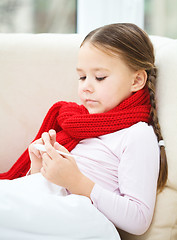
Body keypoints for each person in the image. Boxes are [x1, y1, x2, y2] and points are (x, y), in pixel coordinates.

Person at [0, 23, 168, 237]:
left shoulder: (137, 134)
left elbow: (139, 219)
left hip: (85, 217)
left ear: (136, 80)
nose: (86, 86)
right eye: (82, 77)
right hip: (50, 208)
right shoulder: (79, 124)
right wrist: (39, 168)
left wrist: (76, 181)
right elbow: (45, 191)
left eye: (99, 77)